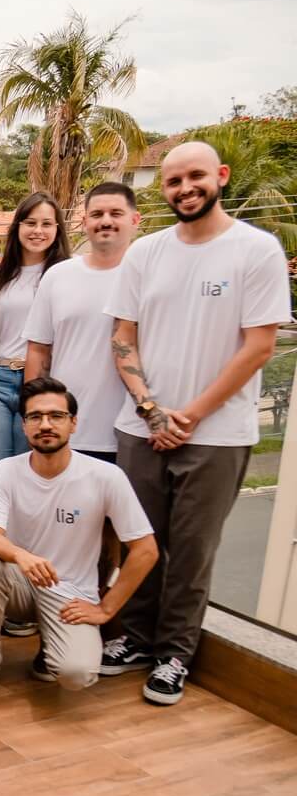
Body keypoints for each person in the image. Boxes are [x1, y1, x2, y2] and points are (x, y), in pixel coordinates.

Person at [105, 141, 289, 705]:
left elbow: (259, 346)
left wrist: (191, 415)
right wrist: (152, 410)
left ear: (221, 177)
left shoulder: (256, 250)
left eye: (195, 177)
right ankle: (134, 640)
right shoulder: (146, 253)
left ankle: (174, 655)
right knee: (142, 542)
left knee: (192, 549)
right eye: (173, 180)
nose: (185, 188)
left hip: (217, 434)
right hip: (142, 426)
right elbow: (122, 336)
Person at [0, 378, 158, 706]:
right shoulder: (2, 472)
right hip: (19, 582)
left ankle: (50, 651)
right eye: (35, 417)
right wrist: (21, 557)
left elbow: (146, 549)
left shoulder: (104, 476)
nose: (46, 425)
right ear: (24, 426)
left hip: (71, 594)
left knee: (76, 674)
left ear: (73, 423)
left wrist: (106, 608)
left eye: (56, 416)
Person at [0, 191, 70, 503]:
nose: (38, 231)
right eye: (30, 222)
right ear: (17, 227)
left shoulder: (67, 273)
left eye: (46, 224)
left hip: (43, 384)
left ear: (57, 230)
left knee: (33, 476)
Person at [24, 183, 142, 460]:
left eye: (116, 213)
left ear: (135, 219)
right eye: (97, 214)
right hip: (66, 433)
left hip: (134, 432)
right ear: (84, 220)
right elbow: (38, 350)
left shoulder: (151, 276)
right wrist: (35, 415)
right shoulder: (58, 276)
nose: (106, 221)